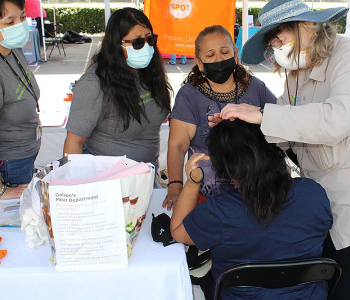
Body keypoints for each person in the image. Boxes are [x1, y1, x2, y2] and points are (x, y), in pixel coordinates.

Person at [214, 0, 350, 299]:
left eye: (280, 40)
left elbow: (338, 119)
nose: (277, 50)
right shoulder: (298, 71)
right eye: (273, 45)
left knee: (346, 286)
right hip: (324, 195)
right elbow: (287, 126)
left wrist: (264, 116)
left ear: (307, 25)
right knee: (323, 281)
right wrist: (242, 126)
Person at [170, 119, 333, 300]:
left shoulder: (219, 211)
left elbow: (177, 231)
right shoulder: (313, 194)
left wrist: (193, 182)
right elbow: (320, 235)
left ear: (227, 168)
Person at [163, 25, 276, 210]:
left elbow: (279, 123)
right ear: (199, 62)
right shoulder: (189, 95)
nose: (219, 59)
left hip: (258, 193)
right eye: (210, 55)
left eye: (224, 52)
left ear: (235, 53)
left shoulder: (256, 87)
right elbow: (177, 145)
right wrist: (175, 187)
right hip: (209, 198)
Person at [63, 8, 172, 170]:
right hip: (105, 177)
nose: (147, 47)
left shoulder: (151, 72)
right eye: (137, 42)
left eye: (150, 39)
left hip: (146, 172)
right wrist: (76, 184)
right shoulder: (94, 83)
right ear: (116, 44)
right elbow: (74, 142)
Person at [0, 0, 40, 198]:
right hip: (9, 166)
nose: (19, 25)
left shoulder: (14, 51)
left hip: (25, 156)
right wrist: (1, 189)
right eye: (9, 22)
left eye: (22, 17)